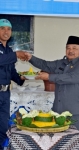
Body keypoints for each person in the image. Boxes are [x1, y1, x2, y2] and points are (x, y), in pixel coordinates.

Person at [24, 35, 79, 148]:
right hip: (58, 113)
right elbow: (45, 64)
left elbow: (70, 78)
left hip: (77, 113)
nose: (71, 51)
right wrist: (30, 58)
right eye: (68, 48)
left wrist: (49, 77)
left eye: (74, 48)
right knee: (60, 144)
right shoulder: (61, 63)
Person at [0, 19, 27, 150]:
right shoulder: (11, 53)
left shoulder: (9, 50)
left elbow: (11, 71)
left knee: (3, 126)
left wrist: (21, 78)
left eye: (8, 29)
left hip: (5, 93)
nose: (6, 31)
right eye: (2, 28)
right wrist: (16, 54)